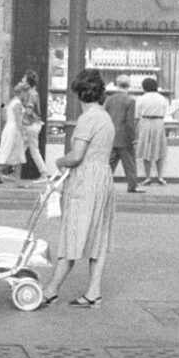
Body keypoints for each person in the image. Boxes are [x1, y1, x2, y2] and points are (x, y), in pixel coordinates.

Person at [41, 68, 116, 309]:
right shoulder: (105, 117)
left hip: (85, 181)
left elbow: (76, 156)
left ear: (80, 94)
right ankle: (94, 292)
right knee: (98, 238)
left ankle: (51, 290)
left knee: (73, 234)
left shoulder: (87, 118)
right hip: (103, 179)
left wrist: (58, 162)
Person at [104, 74, 146, 193]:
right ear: (129, 85)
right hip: (124, 137)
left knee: (109, 163)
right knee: (130, 163)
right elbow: (129, 122)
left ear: (116, 84)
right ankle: (133, 185)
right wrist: (133, 137)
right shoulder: (130, 100)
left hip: (111, 135)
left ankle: (102, 184)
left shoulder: (109, 99)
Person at [0, 81, 29, 184]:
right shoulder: (17, 104)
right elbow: (18, 120)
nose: (27, 95)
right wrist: (24, 134)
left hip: (9, 127)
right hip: (14, 131)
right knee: (12, 155)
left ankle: (17, 181)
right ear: (22, 92)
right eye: (26, 93)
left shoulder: (11, 101)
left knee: (17, 155)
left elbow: (2, 109)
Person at [136, 77, 169, 185]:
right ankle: (160, 177)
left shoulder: (141, 99)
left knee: (146, 150)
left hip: (145, 122)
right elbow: (166, 113)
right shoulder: (162, 98)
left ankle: (147, 177)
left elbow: (137, 115)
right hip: (159, 123)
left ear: (144, 87)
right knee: (160, 149)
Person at [21, 69, 50, 180]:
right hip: (31, 125)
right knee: (22, 149)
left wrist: (19, 110)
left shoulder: (32, 94)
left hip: (31, 125)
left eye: (24, 80)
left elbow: (29, 111)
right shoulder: (31, 93)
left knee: (32, 150)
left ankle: (44, 174)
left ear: (28, 83)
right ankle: (15, 173)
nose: (22, 81)